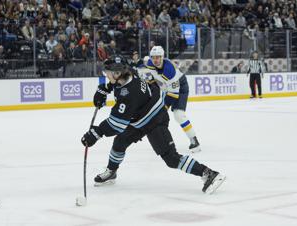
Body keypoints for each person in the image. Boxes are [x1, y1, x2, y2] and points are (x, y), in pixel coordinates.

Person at [81, 56, 225, 194]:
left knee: (171, 158)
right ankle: (111, 172)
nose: (106, 74)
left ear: (118, 73)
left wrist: (96, 133)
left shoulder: (129, 95)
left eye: (108, 72)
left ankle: (208, 173)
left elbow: (116, 125)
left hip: (155, 120)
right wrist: (104, 88)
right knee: (120, 141)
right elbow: (116, 83)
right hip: (141, 117)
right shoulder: (129, 72)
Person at [140, 46, 201, 153]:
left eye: (158, 57)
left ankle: (194, 140)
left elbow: (173, 94)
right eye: (153, 57)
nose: (155, 60)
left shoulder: (169, 71)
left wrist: (164, 108)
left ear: (162, 57)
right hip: (166, 86)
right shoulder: (150, 63)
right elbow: (150, 75)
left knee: (178, 115)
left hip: (180, 88)